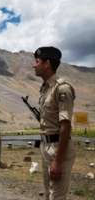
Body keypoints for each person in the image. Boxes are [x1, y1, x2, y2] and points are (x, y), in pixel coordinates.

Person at [32, 46, 76, 200]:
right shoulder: (45, 89)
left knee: (56, 197)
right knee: (47, 194)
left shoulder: (62, 88)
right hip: (46, 146)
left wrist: (58, 161)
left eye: (37, 61)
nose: (34, 65)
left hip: (59, 148)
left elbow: (65, 126)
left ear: (47, 63)